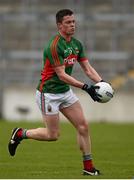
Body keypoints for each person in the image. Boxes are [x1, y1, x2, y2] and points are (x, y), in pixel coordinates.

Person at [8, 9, 104, 176]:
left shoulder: (77, 44)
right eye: (68, 22)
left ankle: (88, 168)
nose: (72, 25)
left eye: (73, 21)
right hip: (49, 93)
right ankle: (21, 133)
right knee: (53, 135)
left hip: (65, 92)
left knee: (83, 126)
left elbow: (88, 69)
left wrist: (101, 83)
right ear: (59, 25)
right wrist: (86, 87)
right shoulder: (53, 46)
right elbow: (62, 75)